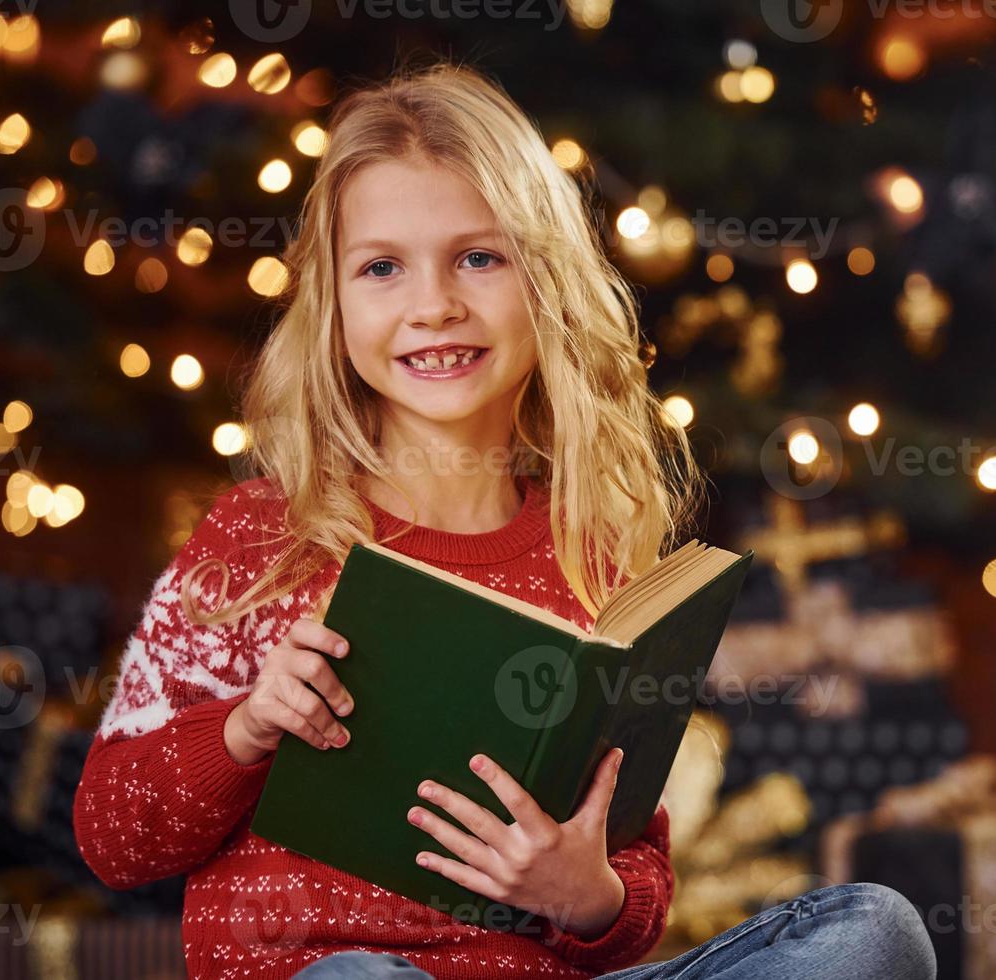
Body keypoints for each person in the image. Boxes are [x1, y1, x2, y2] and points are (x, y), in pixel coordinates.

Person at [73, 60, 934, 980]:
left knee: (874, 933)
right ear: (332, 304)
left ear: (545, 284)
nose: (434, 304)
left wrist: (585, 894)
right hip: (331, 976)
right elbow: (113, 835)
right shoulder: (259, 540)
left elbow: (634, 872)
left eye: (479, 258)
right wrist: (245, 729)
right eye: (381, 268)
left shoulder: (593, 562)